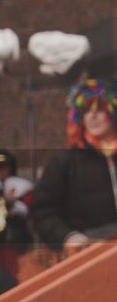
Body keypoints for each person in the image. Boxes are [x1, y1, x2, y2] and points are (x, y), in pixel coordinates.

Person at [32, 79, 117, 255]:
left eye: (99, 109)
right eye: (85, 111)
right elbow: (43, 210)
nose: (92, 116)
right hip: (88, 253)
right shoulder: (64, 161)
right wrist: (67, 236)